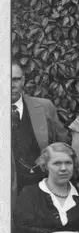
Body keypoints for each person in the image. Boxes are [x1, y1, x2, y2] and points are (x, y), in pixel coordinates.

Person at [11, 62, 69, 191]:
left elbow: (62, 146)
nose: (11, 85)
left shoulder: (45, 107)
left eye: (15, 79)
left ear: (23, 80)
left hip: (41, 186)